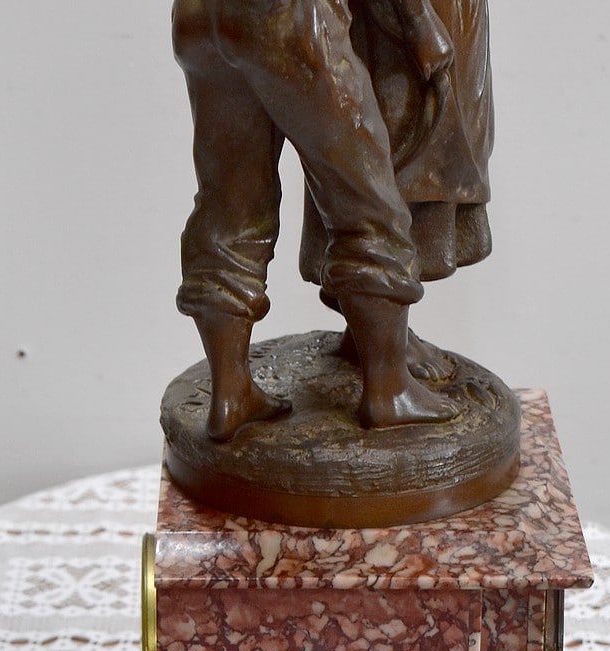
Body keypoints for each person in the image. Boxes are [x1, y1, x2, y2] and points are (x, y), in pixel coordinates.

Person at [172, 0, 457, 440]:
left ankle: (231, 394)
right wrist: (420, 23)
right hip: (287, 15)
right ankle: (389, 390)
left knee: (229, 208)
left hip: (196, 17)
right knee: (366, 203)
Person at [300, 0, 493, 379]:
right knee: (393, 162)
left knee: (433, 152)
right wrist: (418, 22)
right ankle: (379, 337)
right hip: (395, 26)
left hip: (441, 21)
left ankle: (378, 332)